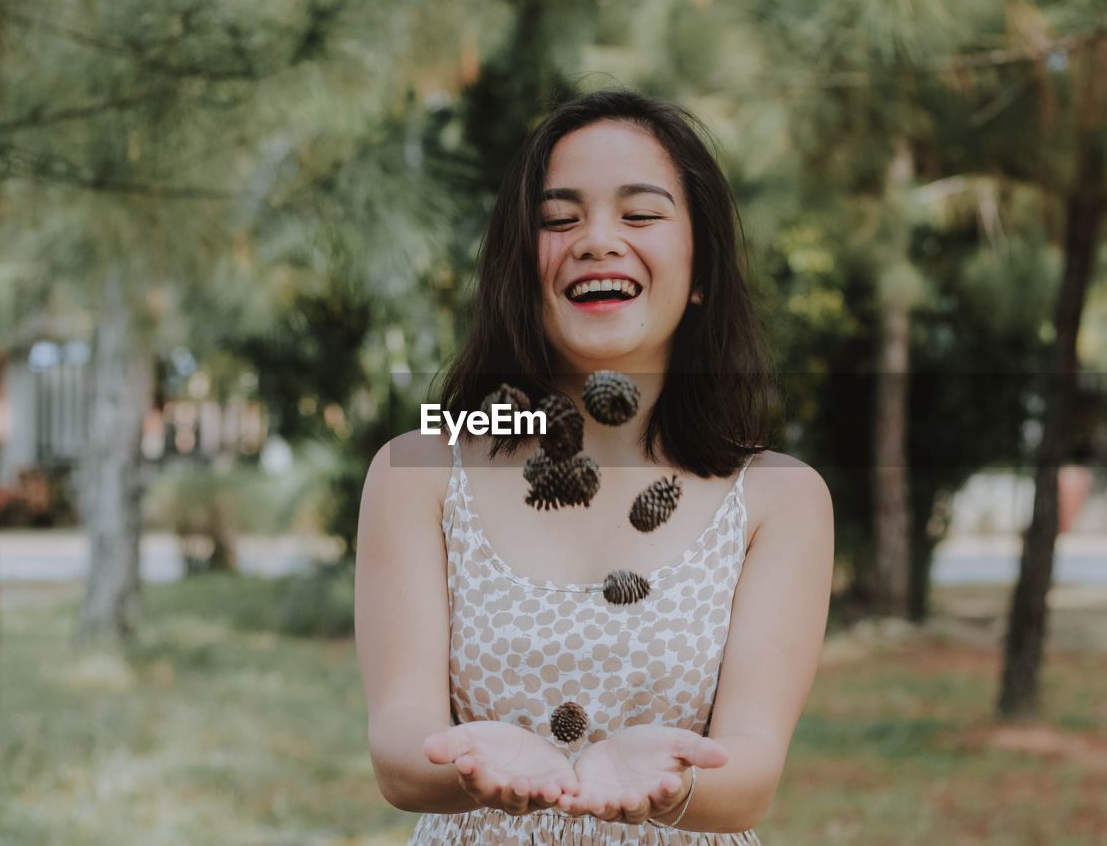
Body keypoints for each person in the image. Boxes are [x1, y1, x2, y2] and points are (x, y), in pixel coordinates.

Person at [355, 89, 834, 844]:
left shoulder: (781, 499)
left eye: (640, 214)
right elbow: (397, 749)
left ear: (701, 266)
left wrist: (665, 782)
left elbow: (749, 776)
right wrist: (481, 766)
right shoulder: (416, 471)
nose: (598, 239)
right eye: (559, 218)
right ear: (523, 265)